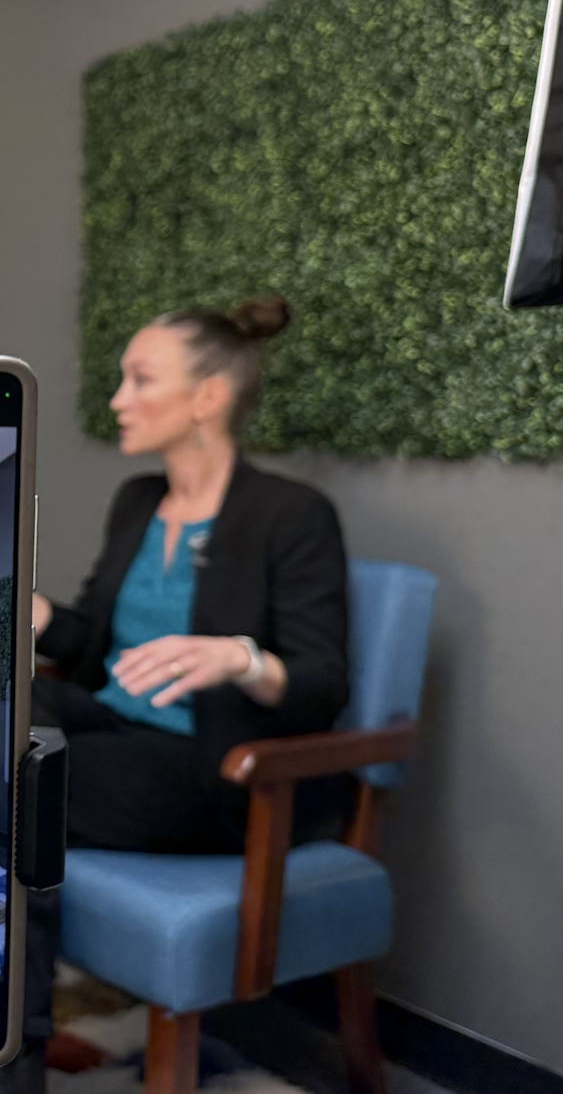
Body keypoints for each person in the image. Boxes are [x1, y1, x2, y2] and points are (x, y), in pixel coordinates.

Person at [29, 295, 349, 857]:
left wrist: (240, 659)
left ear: (208, 397)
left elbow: (322, 684)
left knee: (31, 779)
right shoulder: (137, 500)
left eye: (141, 380)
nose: (118, 400)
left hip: (206, 762)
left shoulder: (293, 514)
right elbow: (90, 643)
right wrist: (35, 613)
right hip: (108, 721)